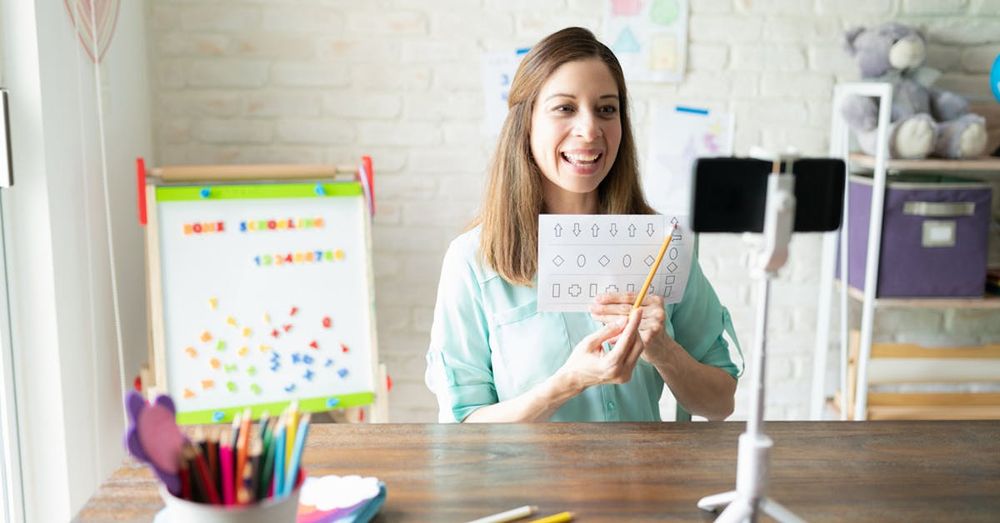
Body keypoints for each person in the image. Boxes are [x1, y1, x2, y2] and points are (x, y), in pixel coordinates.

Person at [425, 27, 740, 423]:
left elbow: (719, 403)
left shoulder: (662, 246)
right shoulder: (472, 261)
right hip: (523, 486)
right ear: (526, 123)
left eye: (606, 109)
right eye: (565, 108)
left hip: (642, 484)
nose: (590, 130)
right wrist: (567, 383)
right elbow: (462, 428)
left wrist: (664, 350)